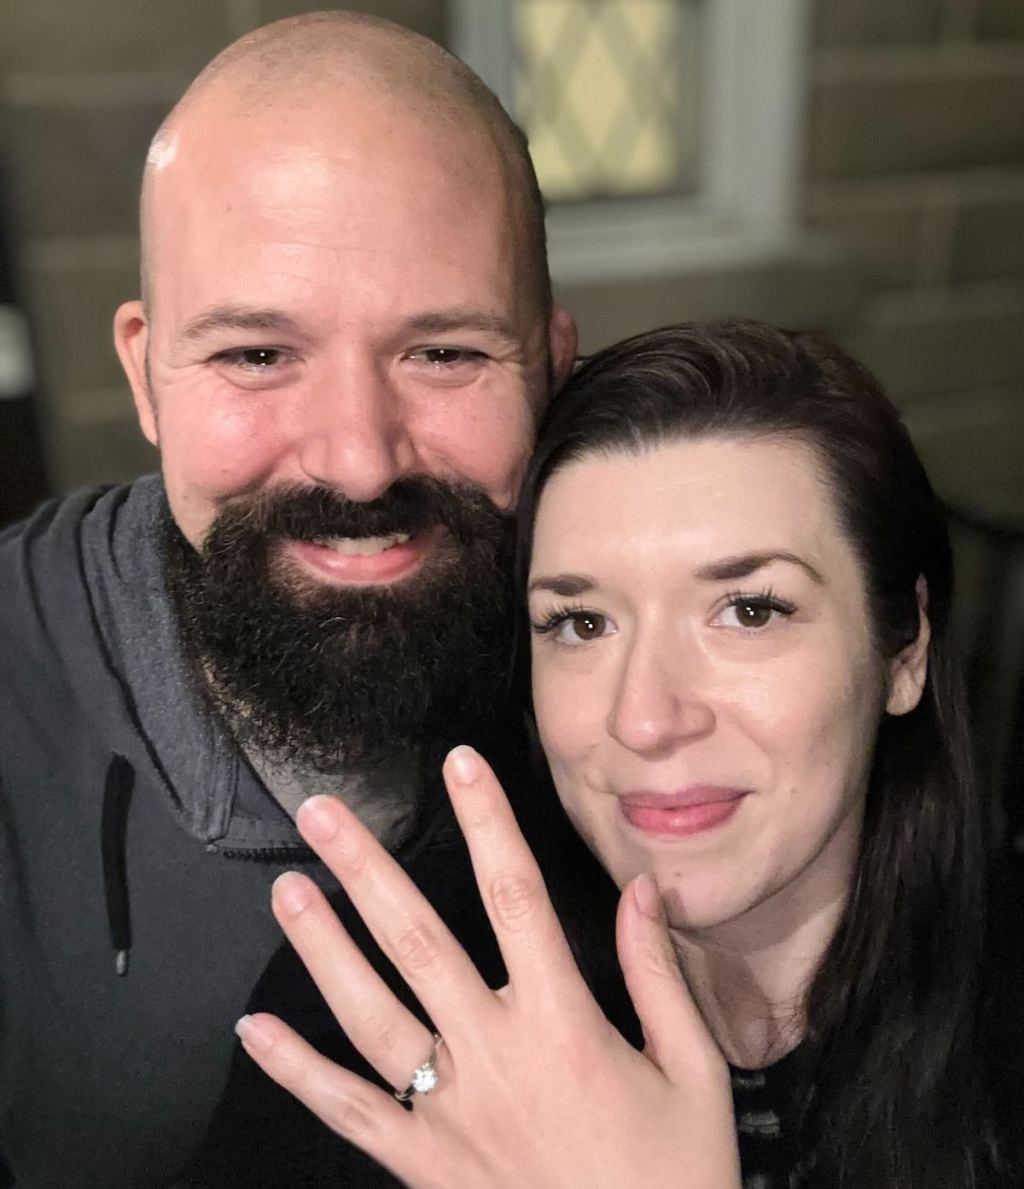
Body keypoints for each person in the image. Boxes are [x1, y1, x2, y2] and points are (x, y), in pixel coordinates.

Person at [0, 12, 616, 1188]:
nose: (358, 461)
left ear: (553, 366)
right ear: (144, 374)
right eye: (256, 354)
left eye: (444, 353)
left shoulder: (642, 679)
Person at [239, 320, 1024, 1188]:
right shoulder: (382, 1006)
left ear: (904, 649)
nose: (646, 718)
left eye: (751, 610)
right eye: (581, 623)